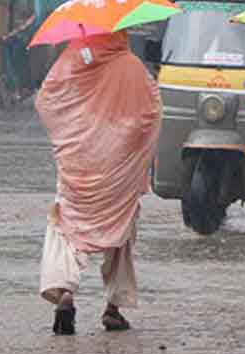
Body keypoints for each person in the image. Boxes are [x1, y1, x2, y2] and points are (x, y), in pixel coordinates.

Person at [35, 31, 161, 335]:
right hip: (118, 167)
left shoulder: (70, 60)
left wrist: (74, 130)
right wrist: (126, 142)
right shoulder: (131, 66)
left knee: (65, 224)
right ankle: (113, 308)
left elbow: (46, 100)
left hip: (78, 163)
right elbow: (151, 112)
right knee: (121, 229)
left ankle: (65, 292)